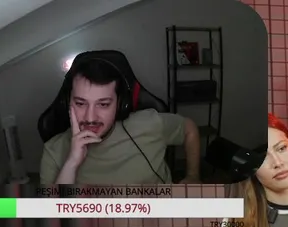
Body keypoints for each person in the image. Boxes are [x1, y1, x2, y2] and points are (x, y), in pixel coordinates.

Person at [40, 55, 200, 184]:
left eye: (103, 104)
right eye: (81, 103)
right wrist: (72, 162)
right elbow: (52, 214)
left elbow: (189, 129)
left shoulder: (149, 124)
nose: (90, 118)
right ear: (68, 103)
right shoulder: (54, 151)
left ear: (121, 104)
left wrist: (193, 176)